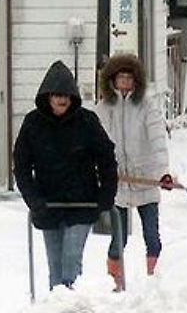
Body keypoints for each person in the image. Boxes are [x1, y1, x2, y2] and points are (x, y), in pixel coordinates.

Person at [13, 60, 118, 290]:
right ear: (48, 96)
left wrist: (106, 195)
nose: (62, 100)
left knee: (71, 266)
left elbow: (107, 158)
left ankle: (72, 304)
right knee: (56, 271)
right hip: (48, 206)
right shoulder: (33, 124)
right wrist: (33, 199)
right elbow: (21, 166)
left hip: (82, 204)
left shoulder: (87, 121)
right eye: (57, 95)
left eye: (67, 95)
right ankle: (57, 304)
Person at [94, 54, 173, 290]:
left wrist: (163, 173)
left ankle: (154, 284)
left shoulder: (147, 106)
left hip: (145, 180)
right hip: (117, 183)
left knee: (152, 237)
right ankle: (116, 283)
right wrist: (102, 170)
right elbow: (97, 142)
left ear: (136, 81)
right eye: (121, 77)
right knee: (119, 239)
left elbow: (158, 140)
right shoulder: (103, 109)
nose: (125, 82)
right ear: (112, 80)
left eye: (129, 78)